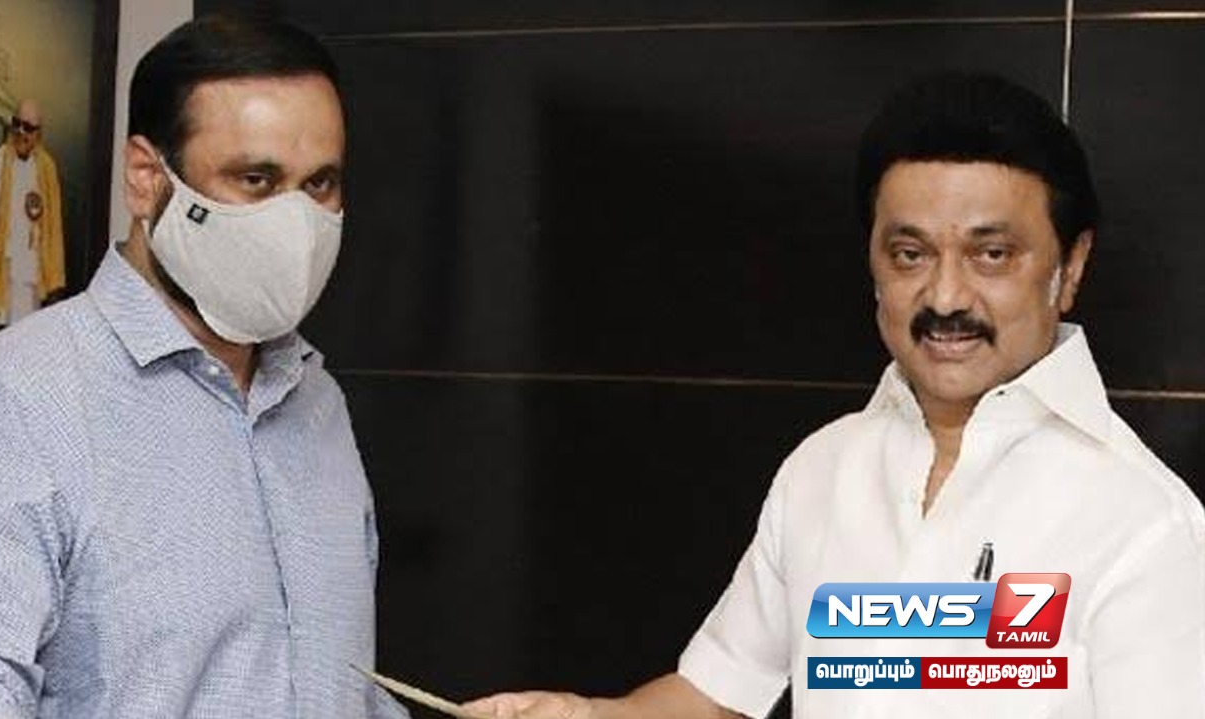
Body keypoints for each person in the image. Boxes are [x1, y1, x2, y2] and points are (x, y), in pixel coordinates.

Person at [466, 74, 1205, 719]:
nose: (946, 296)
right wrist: (593, 715)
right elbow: (719, 696)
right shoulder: (823, 471)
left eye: (991, 254)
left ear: (1070, 267)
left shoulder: (1143, 524)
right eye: (910, 254)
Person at [0, 16, 406, 719]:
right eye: (257, 179)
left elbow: (327, 685)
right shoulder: (15, 400)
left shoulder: (317, 400)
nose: (297, 223)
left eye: (321, 184)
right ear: (147, 178)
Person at [0, 98, 66, 325]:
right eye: (17, 123)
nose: (21, 132)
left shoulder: (47, 169)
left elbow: (54, 230)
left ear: (38, 134)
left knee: (20, 341)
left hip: (29, 277)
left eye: (28, 128)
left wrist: (55, 283)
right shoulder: (0, 158)